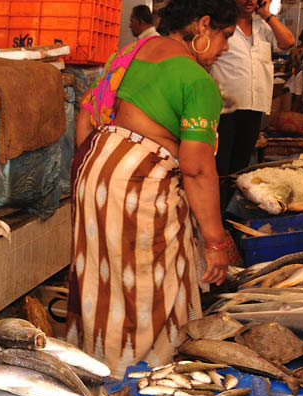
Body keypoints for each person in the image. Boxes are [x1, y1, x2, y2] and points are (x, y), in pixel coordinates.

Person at [70, 0, 237, 374]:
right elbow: (197, 170)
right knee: (146, 293)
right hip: (140, 185)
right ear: (203, 25)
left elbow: (86, 114)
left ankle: (94, 375)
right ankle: (133, 385)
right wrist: (215, 243)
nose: (226, 48)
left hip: (95, 170)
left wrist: (99, 175)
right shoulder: (197, 81)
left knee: (103, 284)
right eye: (225, 35)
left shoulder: (130, 53)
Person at [210, 0, 295, 205]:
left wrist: (267, 14)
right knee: (220, 166)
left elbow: (288, 42)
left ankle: (231, 211)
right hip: (224, 109)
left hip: (253, 106)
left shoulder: (263, 26)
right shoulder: (221, 24)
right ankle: (215, 211)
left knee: (241, 167)